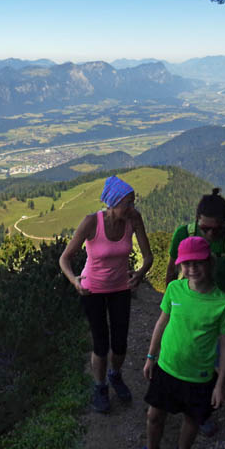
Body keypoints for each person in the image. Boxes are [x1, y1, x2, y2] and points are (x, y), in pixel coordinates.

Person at [121, 236, 225, 449]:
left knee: (192, 420)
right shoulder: (174, 289)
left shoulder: (223, 304)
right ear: (180, 265)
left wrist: (221, 384)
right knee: (154, 415)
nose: (192, 269)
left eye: (198, 263)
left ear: (209, 263)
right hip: (167, 367)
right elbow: (161, 322)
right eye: (187, 264)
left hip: (200, 375)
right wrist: (151, 356)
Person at [59, 175, 153, 413]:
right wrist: (74, 281)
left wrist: (140, 273)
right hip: (92, 290)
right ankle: (100, 387)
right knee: (101, 344)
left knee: (120, 343)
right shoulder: (91, 223)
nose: (132, 208)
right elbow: (65, 258)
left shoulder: (134, 219)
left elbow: (148, 256)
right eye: (127, 203)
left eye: (133, 202)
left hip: (121, 288)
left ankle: (115, 375)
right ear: (113, 203)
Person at [165, 188, 225, 436]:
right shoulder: (183, 234)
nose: (210, 234)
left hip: (222, 311)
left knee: (215, 363)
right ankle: (190, 404)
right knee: (193, 355)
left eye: (216, 229)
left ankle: (202, 411)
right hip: (192, 306)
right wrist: (169, 302)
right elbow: (172, 271)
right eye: (205, 228)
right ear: (197, 220)